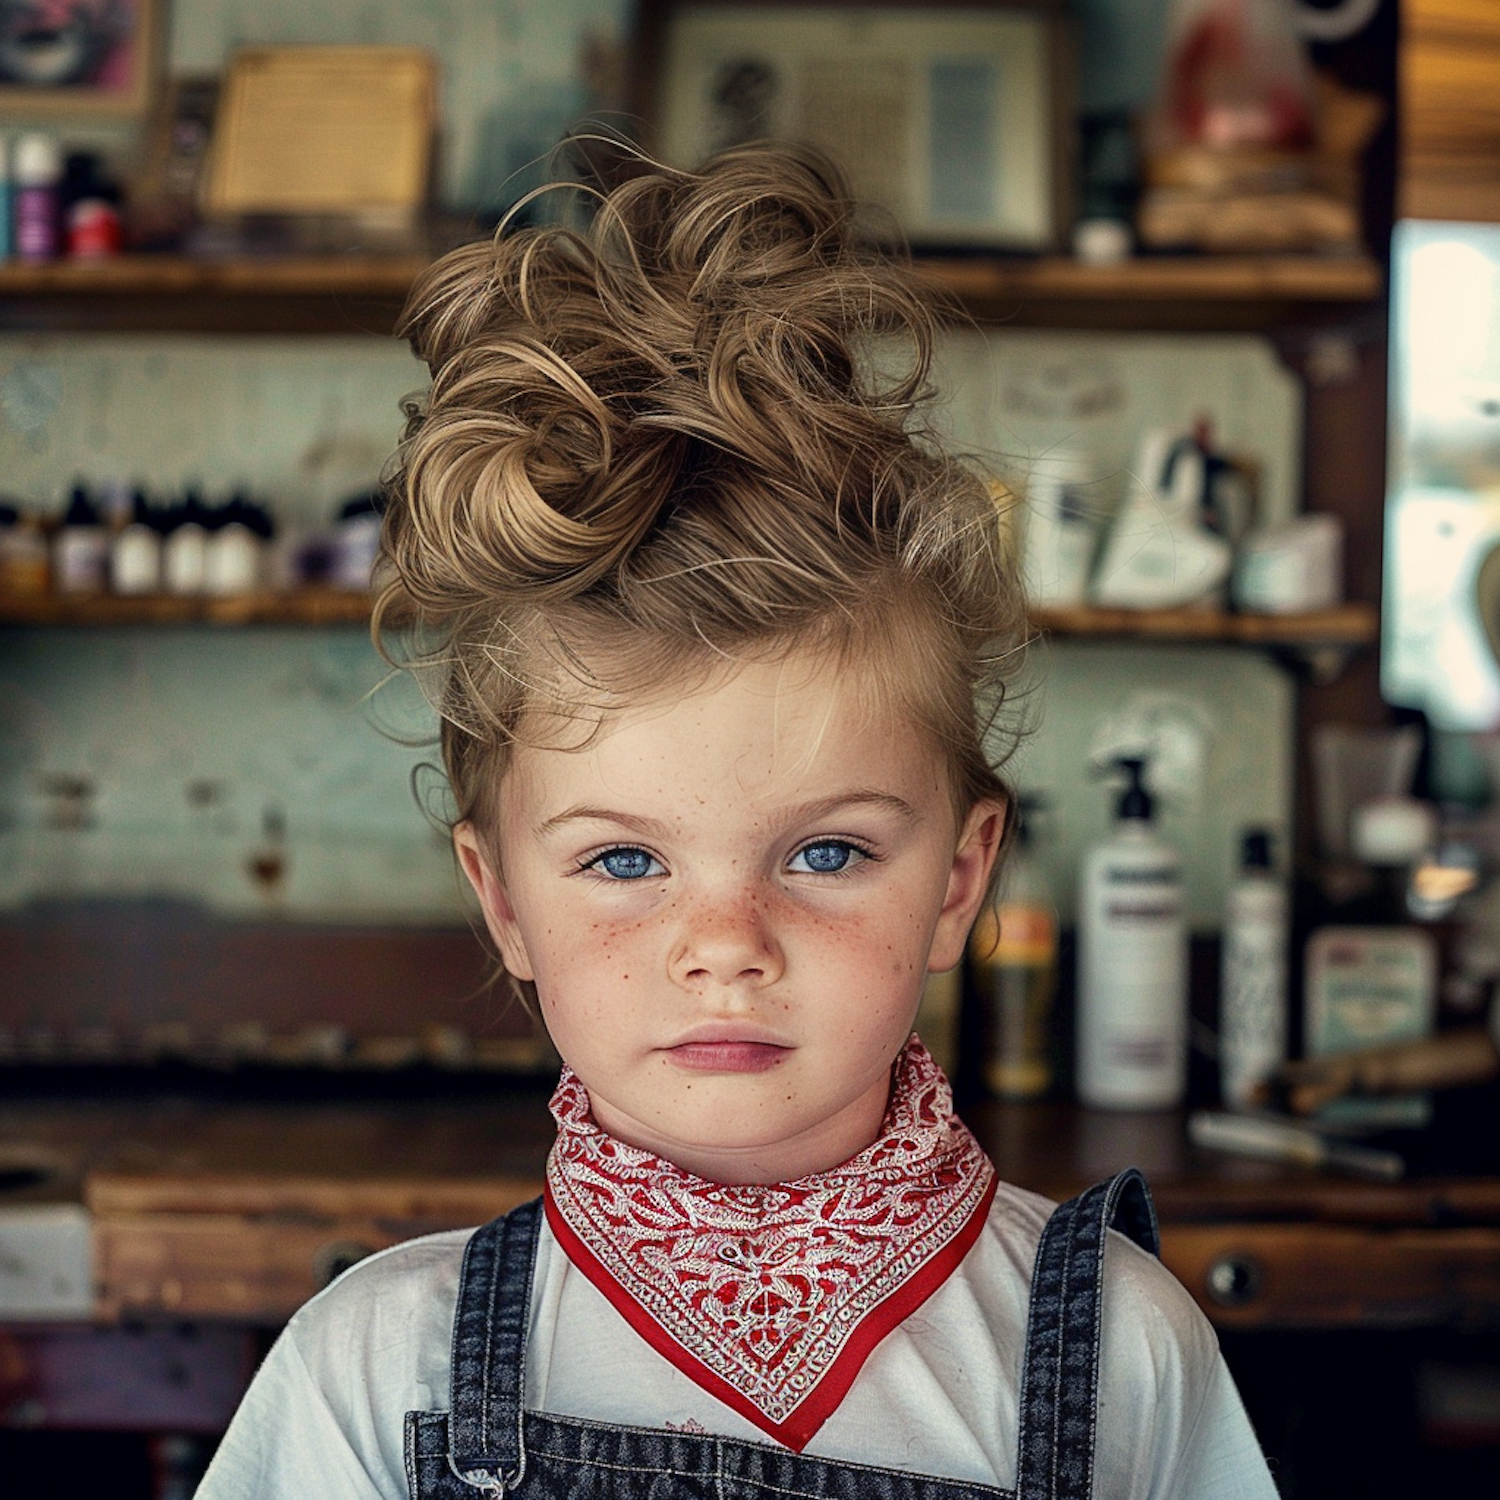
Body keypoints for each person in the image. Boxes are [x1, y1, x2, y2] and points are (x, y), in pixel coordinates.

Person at [196, 144, 1278, 1500]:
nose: (725, 944)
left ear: (958, 881)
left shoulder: (1123, 1351)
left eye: (825, 853)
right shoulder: (372, 1371)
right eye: (625, 860)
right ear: (503, 899)